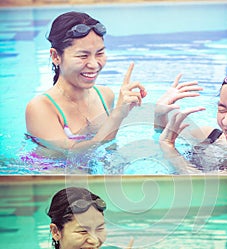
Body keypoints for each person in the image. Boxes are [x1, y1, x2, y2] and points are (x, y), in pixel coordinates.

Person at [25, 11, 147, 152]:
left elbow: (109, 150)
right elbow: (70, 155)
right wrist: (117, 115)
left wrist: (160, 118)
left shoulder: (105, 95)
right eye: (83, 55)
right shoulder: (41, 107)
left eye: (100, 53)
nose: (94, 64)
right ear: (55, 56)